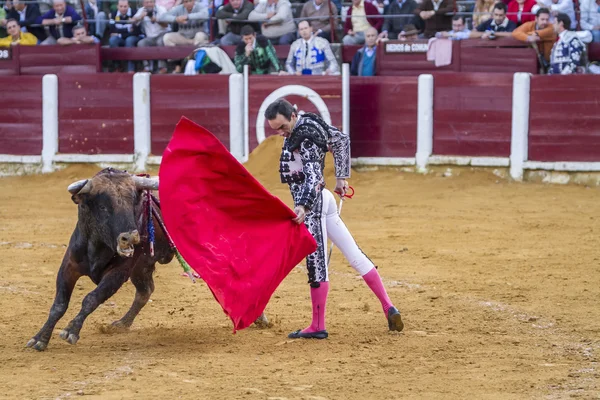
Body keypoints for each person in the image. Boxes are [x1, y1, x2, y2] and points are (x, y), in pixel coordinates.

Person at [264, 99, 404, 340]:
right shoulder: (311, 122)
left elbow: (314, 178)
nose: (280, 133)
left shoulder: (303, 137)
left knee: (317, 264)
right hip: (325, 199)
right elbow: (341, 140)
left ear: (293, 116)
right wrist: (340, 178)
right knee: (355, 255)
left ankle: (318, 325)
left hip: (314, 204)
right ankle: (388, 306)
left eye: (282, 127)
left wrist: (303, 205)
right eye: (275, 129)